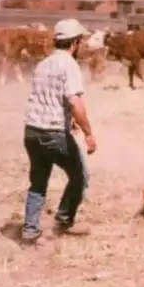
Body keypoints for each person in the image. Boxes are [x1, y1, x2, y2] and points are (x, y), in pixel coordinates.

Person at [20, 18, 98, 246]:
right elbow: (74, 100)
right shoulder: (69, 65)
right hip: (54, 134)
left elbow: (47, 98)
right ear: (74, 42)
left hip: (32, 131)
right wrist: (88, 132)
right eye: (80, 41)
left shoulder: (43, 64)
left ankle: (30, 230)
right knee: (79, 176)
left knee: (38, 181)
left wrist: (68, 119)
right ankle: (64, 220)